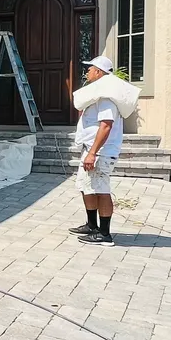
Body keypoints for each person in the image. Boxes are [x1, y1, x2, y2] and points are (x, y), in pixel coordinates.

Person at [70, 55, 136, 246]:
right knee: (86, 187)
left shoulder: (107, 98)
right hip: (91, 150)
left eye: (90, 69)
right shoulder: (98, 95)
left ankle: (104, 234)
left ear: (98, 72)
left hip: (100, 153)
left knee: (101, 189)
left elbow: (106, 126)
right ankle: (92, 226)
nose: (87, 72)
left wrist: (93, 153)